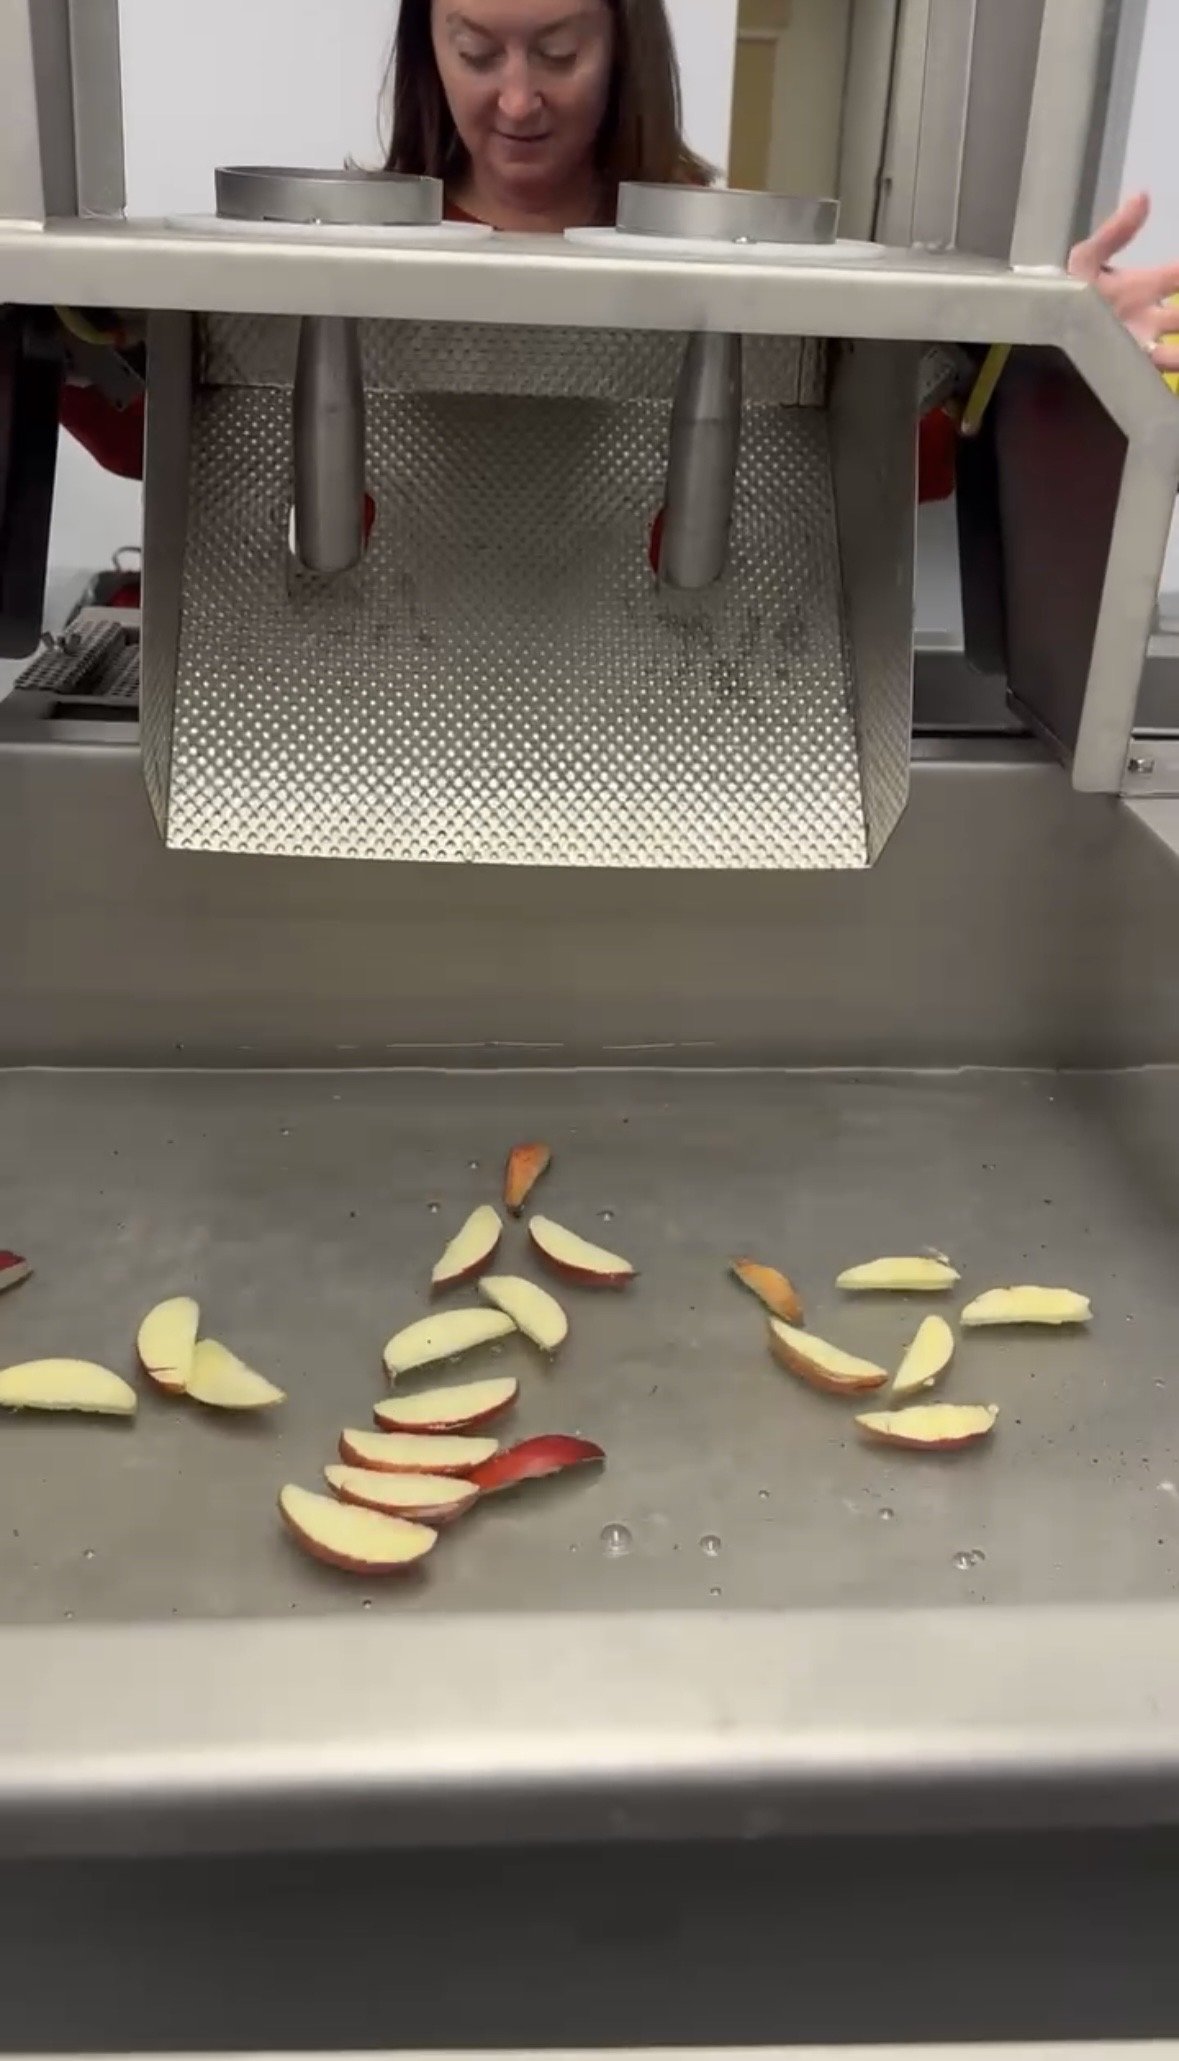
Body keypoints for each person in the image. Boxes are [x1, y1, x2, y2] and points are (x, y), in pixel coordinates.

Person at [62, 0, 1179, 495]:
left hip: (674, 697)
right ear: (426, 49)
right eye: (475, 48)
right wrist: (57, 328)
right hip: (380, 678)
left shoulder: (730, 253)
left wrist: (1049, 361)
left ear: (623, 44)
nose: (515, 100)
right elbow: (175, 440)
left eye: (558, 51)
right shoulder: (349, 247)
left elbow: (879, 464)